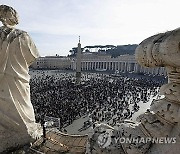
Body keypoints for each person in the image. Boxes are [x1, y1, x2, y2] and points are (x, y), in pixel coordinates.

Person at [0, 5, 41, 152]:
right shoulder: (23, 36)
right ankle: (23, 131)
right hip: (18, 77)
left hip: (2, 81)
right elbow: (32, 57)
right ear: (14, 17)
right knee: (22, 104)